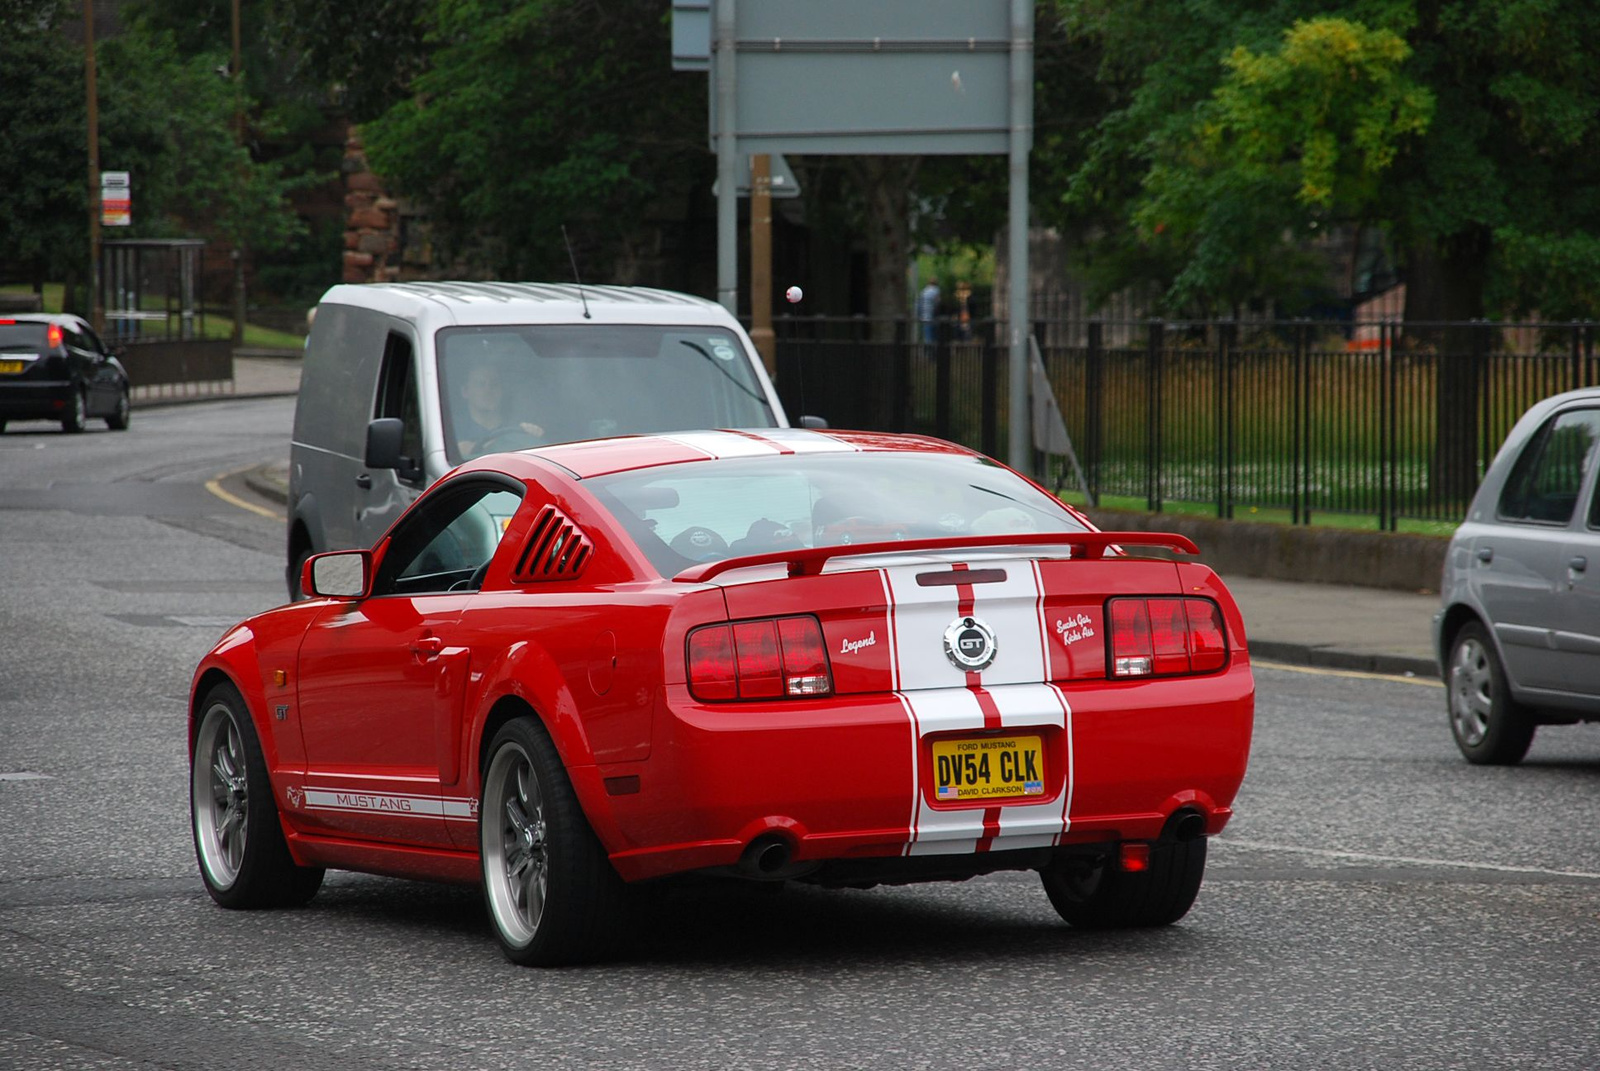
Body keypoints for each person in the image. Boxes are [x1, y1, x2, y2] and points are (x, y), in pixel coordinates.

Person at [452, 359, 543, 458]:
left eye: (494, 384)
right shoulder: (451, 432)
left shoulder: (519, 428)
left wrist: (533, 436)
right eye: (481, 384)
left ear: (502, 391)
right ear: (465, 391)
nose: (488, 390)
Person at [916, 279, 940, 345]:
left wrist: (919, 315)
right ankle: (932, 352)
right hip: (932, 316)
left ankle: (927, 352)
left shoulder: (924, 291)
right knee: (933, 336)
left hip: (924, 316)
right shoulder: (936, 290)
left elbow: (919, 305)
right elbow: (937, 303)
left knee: (927, 336)